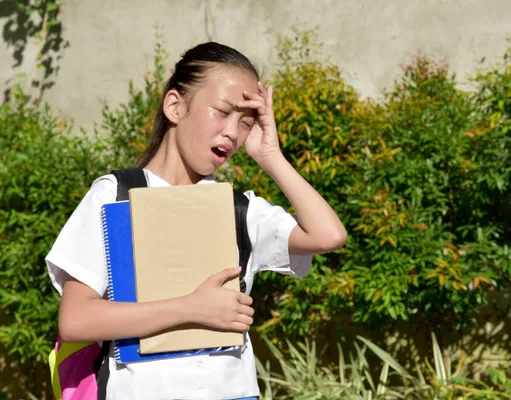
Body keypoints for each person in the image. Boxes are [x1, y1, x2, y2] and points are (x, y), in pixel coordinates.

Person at [45, 42, 347, 400]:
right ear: (175, 106)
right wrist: (191, 308)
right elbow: (77, 320)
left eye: (246, 122)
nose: (233, 133)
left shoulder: (239, 209)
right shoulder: (115, 195)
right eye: (222, 111)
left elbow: (328, 235)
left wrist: (271, 156)